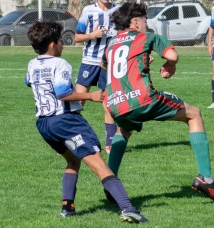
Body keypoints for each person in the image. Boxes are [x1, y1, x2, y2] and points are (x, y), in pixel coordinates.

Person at [25, 21, 148, 223]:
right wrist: (90, 97)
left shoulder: (33, 64)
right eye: (59, 41)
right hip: (66, 121)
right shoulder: (60, 63)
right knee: (99, 164)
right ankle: (127, 208)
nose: (62, 44)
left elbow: (28, 81)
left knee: (73, 161)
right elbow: (62, 93)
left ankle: (67, 207)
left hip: (44, 124)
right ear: (52, 45)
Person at [101, 2, 214, 203]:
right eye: (144, 19)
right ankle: (205, 178)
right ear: (135, 21)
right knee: (194, 114)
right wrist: (169, 65)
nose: (146, 22)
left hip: (115, 103)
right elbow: (173, 55)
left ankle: (110, 182)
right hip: (144, 99)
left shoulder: (112, 43)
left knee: (123, 130)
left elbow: (104, 64)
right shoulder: (147, 37)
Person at [75, 0, 119, 155]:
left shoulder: (118, 11)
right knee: (78, 101)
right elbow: (78, 37)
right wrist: (92, 34)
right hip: (89, 62)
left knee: (108, 103)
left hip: (108, 64)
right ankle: (69, 139)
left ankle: (110, 143)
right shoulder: (88, 11)